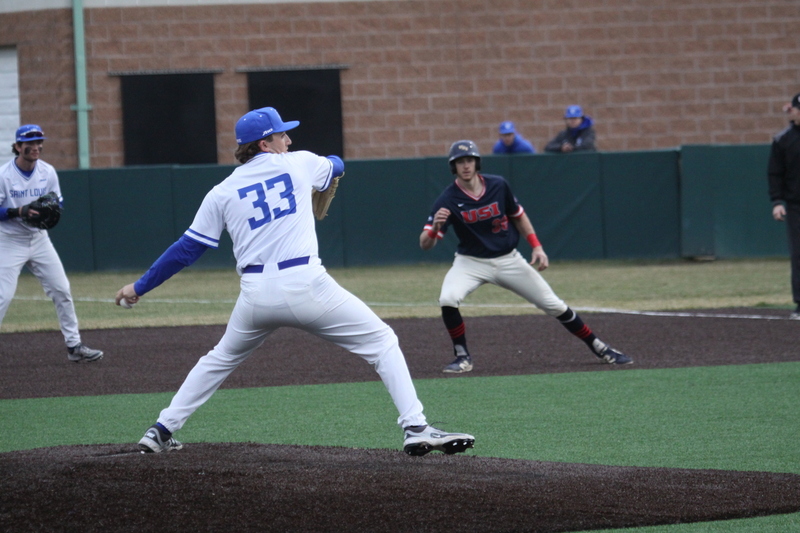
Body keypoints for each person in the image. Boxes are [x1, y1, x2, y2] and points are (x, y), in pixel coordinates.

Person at [117, 107, 474, 456]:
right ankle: (415, 427)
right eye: (281, 134)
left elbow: (186, 249)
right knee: (382, 341)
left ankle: (160, 430)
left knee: (218, 359)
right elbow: (338, 164)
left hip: (255, 295)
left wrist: (139, 287)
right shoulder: (300, 163)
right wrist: (327, 167)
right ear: (264, 144)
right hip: (307, 285)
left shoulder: (221, 191)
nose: (288, 140)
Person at [420, 140, 632, 373]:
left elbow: (518, 216)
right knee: (448, 299)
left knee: (553, 304)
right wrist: (435, 228)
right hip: (471, 262)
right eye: (460, 162)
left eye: (469, 160)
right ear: (453, 167)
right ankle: (462, 357)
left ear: (477, 162)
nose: (466, 166)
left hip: (508, 259)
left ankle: (600, 347)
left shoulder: (498, 185)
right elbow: (425, 244)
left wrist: (537, 246)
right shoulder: (447, 199)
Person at [0, 124, 103, 363]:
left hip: (39, 239)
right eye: (30, 143)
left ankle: (74, 346)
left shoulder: (47, 172)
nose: (36, 146)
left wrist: (49, 210)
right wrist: (19, 211)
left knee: (62, 290)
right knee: (3, 296)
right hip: (9, 240)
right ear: (18, 146)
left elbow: (58, 203)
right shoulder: (4, 175)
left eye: (39, 142)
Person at [768, 92, 800, 320]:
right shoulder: (784, 140)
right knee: (799, 254)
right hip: (796, 205)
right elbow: (775, 173)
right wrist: (777, 202)